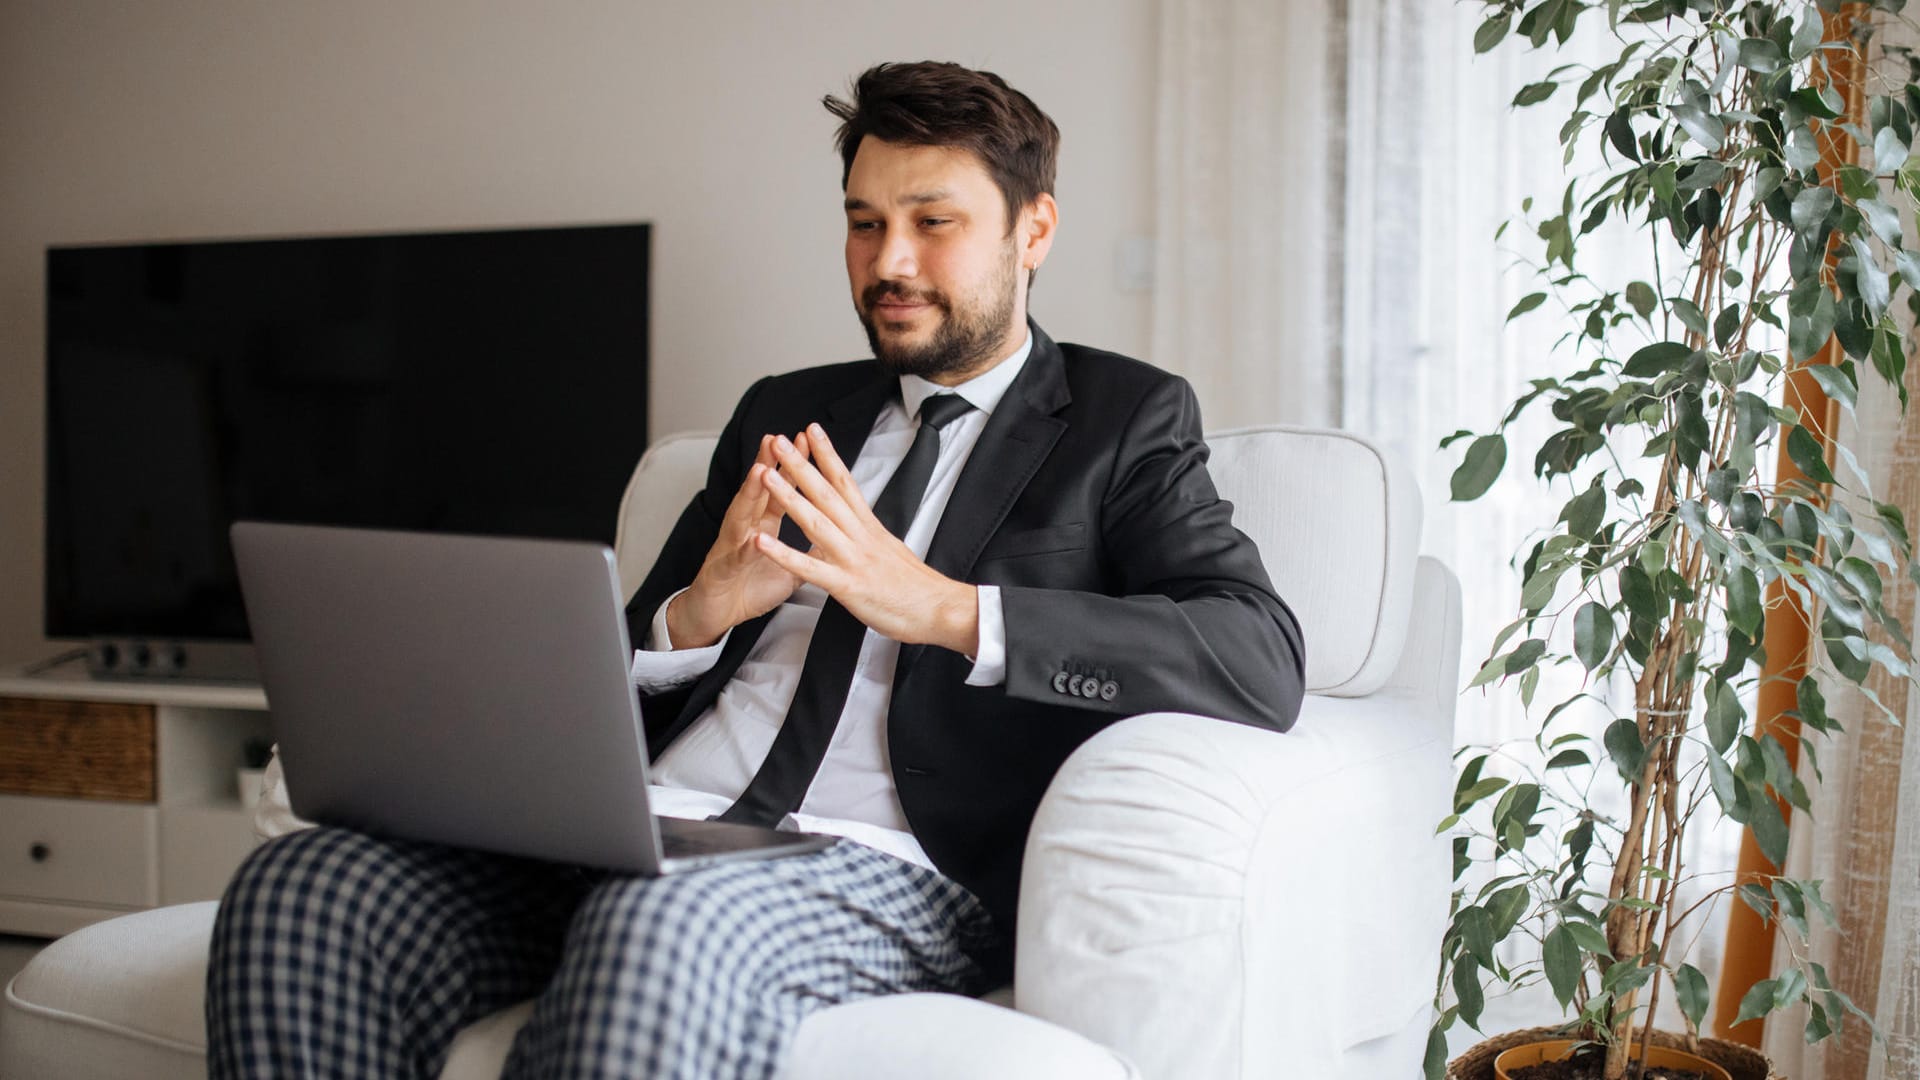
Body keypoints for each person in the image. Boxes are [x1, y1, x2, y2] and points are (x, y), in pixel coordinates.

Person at [206, 60, 1305, 1080]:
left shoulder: (1121, 421)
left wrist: (949, 610)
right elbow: (622, 655)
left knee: (657, 927)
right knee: (304, 887)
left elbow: (1256, 657)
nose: (891, 264)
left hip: (875, 867)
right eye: (865, 224)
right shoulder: (786, 410)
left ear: (1035, 230)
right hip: (646, 828)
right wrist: (695, 615)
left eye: (935, 223)